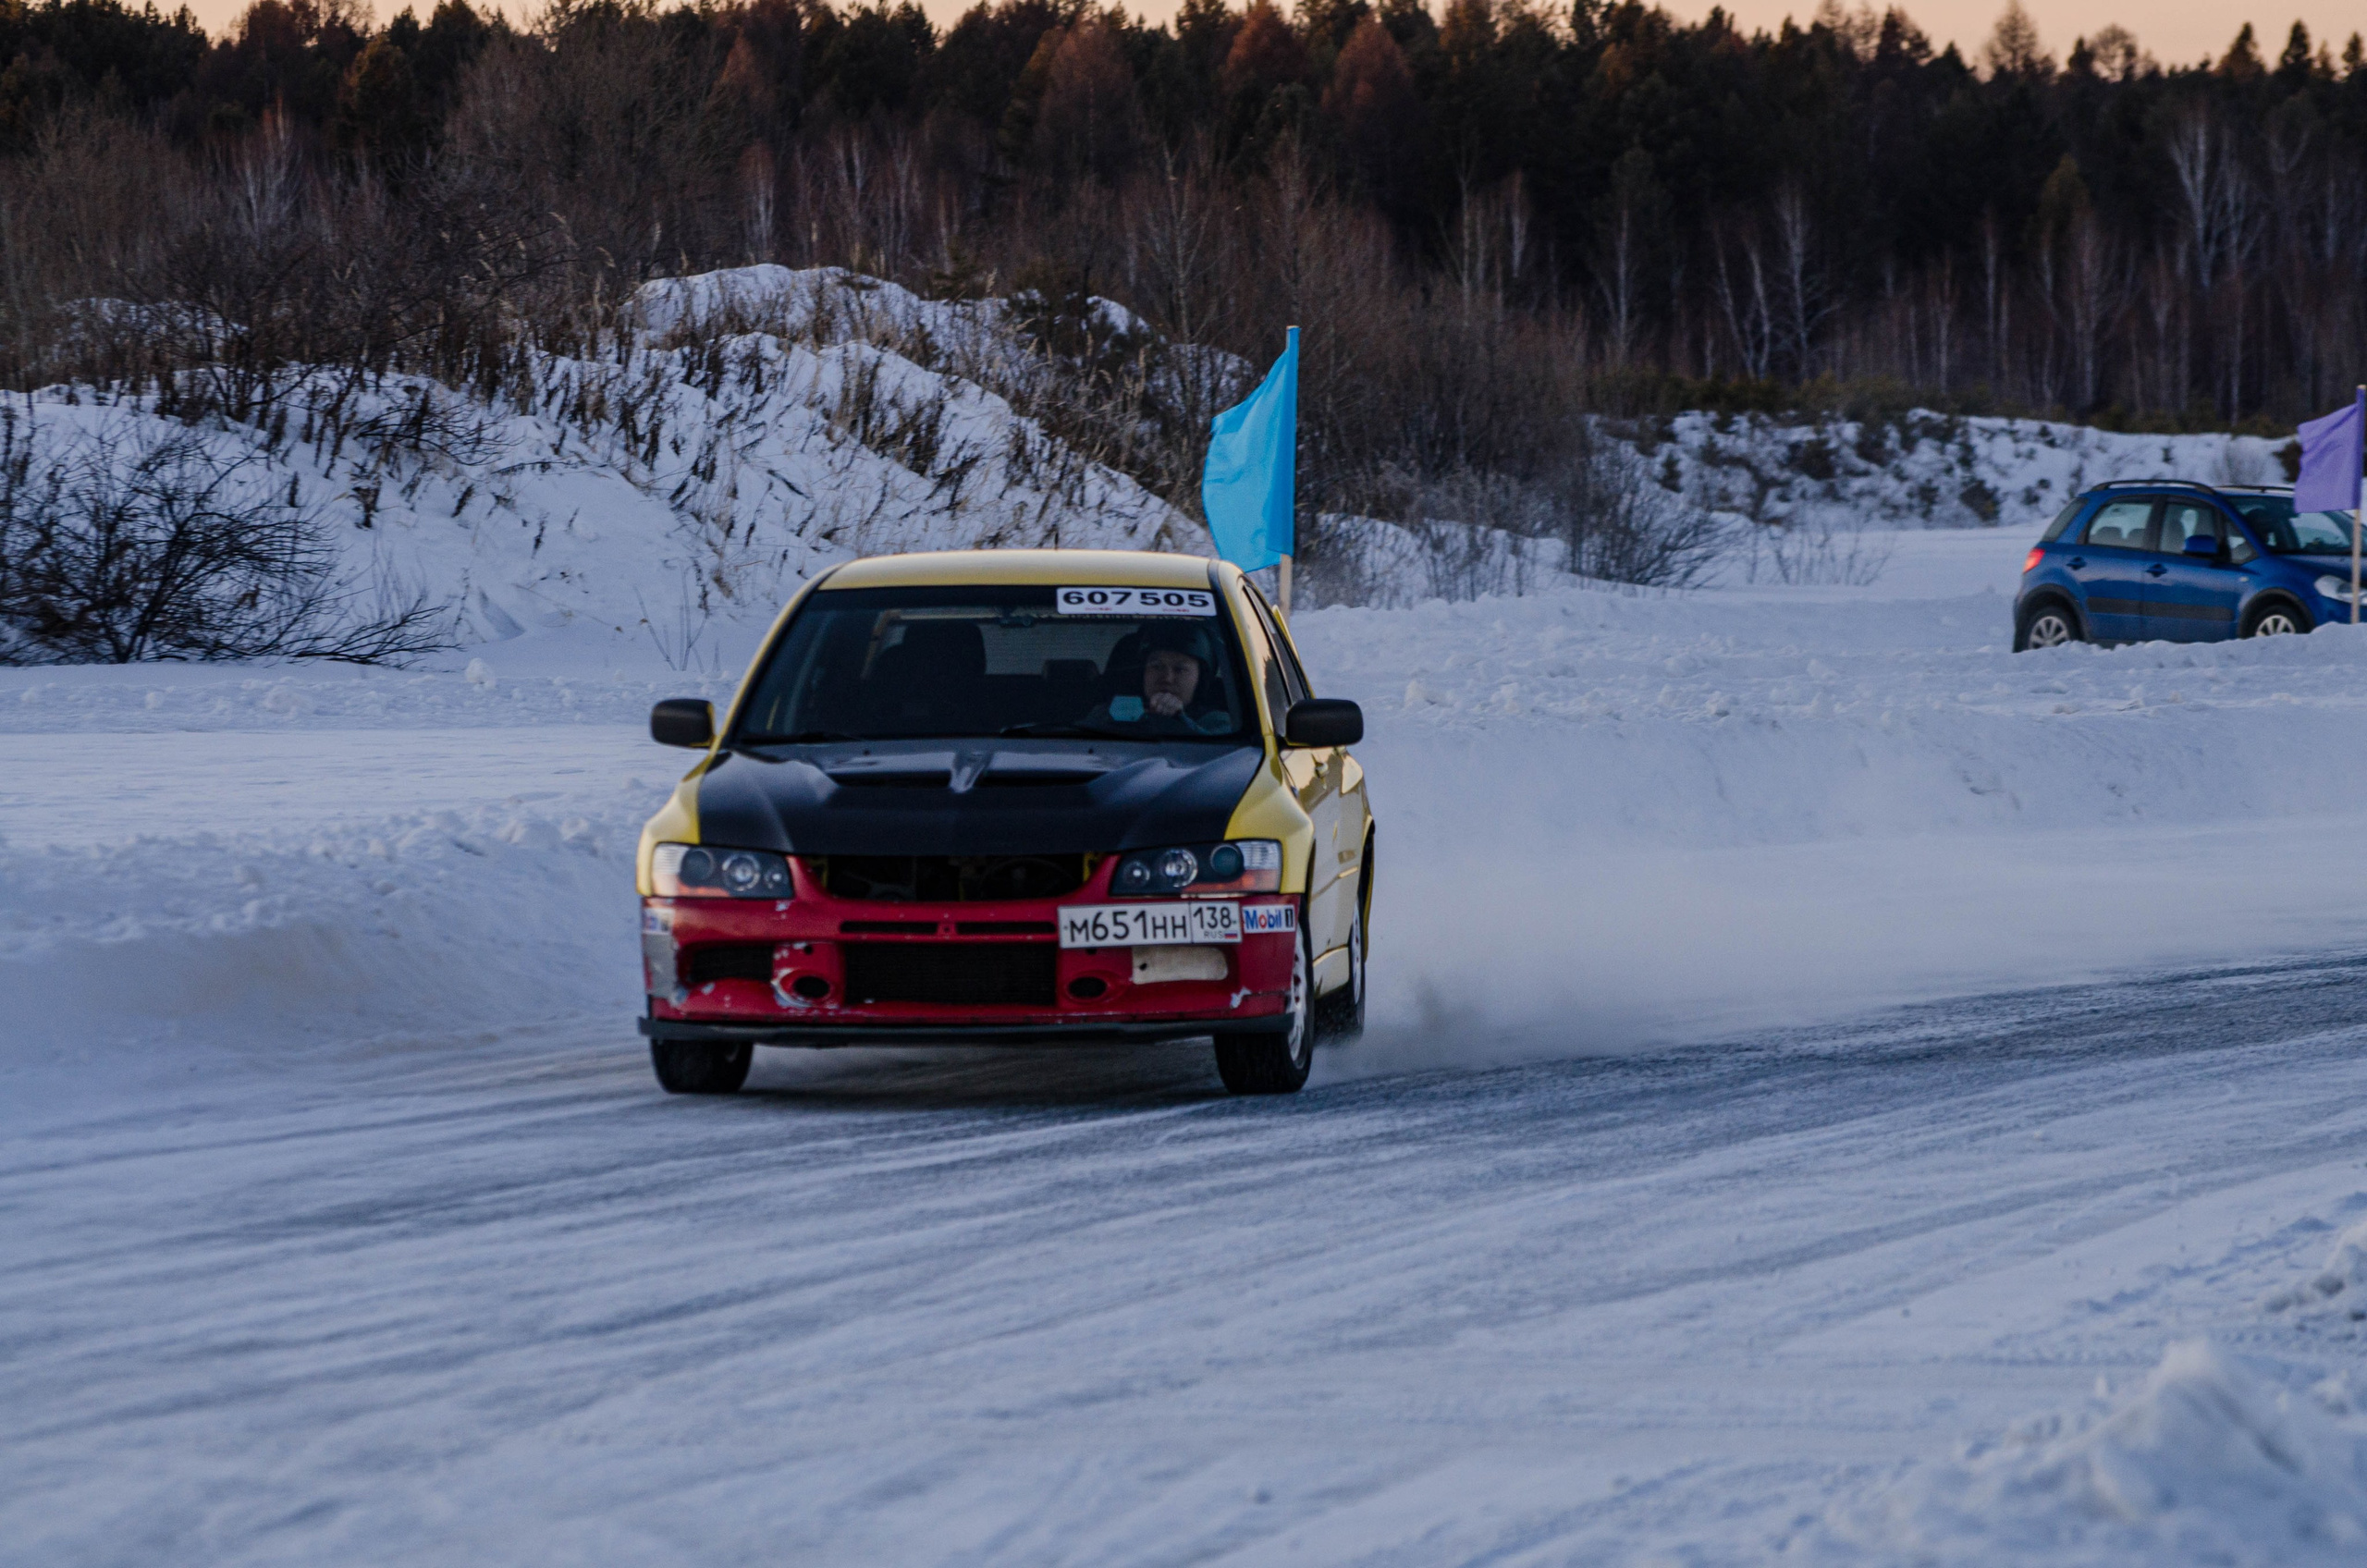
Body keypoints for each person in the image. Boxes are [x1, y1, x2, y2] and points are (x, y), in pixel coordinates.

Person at [1084, 622, 1233, 735]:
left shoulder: (1218, 722)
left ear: (1200, 678)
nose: (1167, 678)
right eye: (1157, 667)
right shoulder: (1106, 713)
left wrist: (1180, 722)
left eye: (1180, 669)